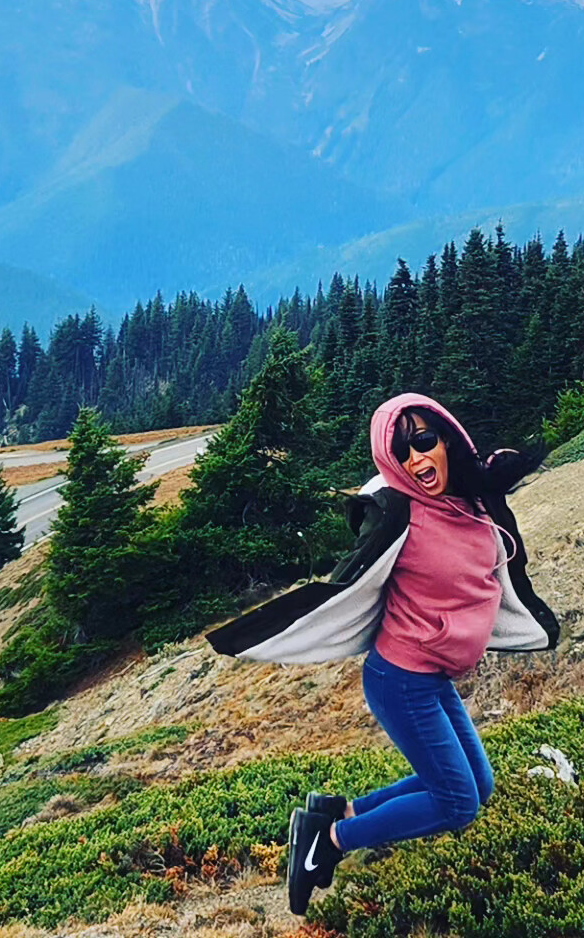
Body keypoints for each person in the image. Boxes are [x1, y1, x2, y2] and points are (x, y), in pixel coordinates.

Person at [206, 393, 558, 917]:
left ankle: (333, 812)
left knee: (476, 785)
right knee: (458, 803)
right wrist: (260, 632)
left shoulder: (472, 498)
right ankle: (330, 841)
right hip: (401, 680)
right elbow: (346, 584)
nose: (417, 459)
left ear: (446, 438)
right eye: (403, 452)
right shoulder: (403, 515)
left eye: (423, 441)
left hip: (433, 676)